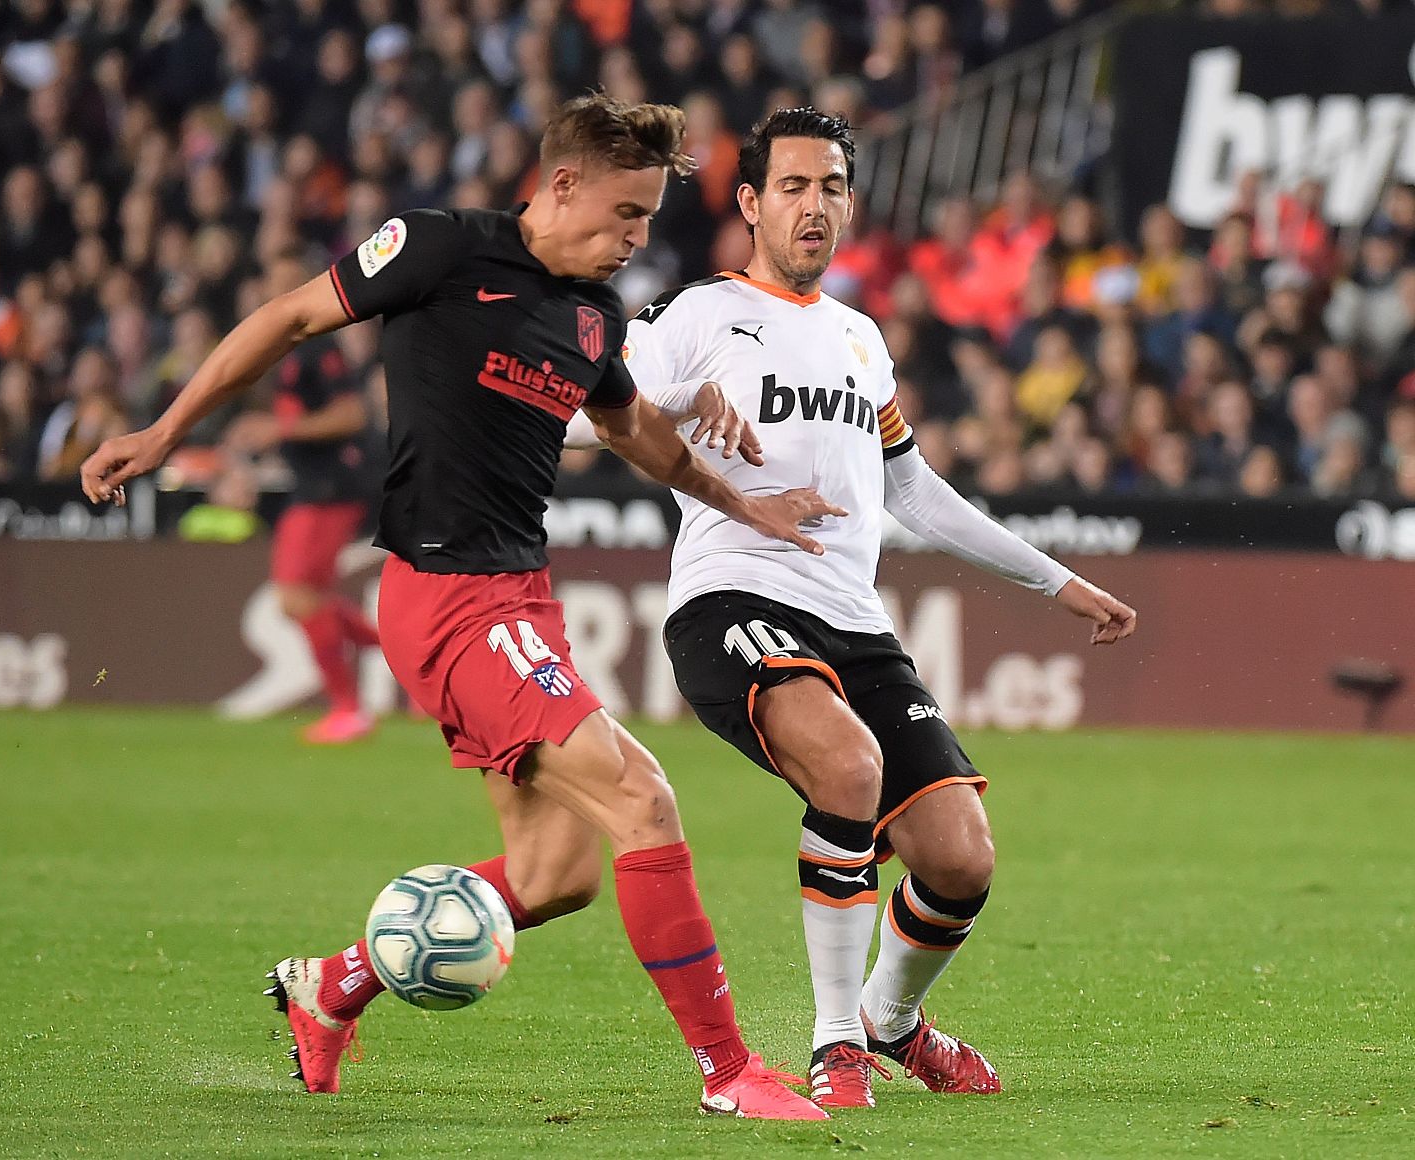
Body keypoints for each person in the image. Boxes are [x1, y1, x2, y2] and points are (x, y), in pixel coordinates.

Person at [81, 94, 842, 1121]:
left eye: (651, 220)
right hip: (446, 594)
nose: (636, 239)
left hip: (518, 593)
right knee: (643, 800)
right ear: (560, 183)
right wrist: (167, 432)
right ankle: (727, 1070)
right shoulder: (440, 248)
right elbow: (290, 316)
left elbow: (635, 435)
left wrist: (741, 503)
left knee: (556, 869)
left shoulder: (591, 316)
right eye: (625, 214)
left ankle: (332, 984)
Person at [571, 108, 1138, 1109]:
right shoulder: (697, 316)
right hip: (732, 596)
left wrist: (1057, 581)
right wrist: (672, 406)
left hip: (853, 623)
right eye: (791, 187)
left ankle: (889, 1019)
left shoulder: (858, 339)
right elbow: (581, 420)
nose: (813, 206)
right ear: (749, 203)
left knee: (960, 855)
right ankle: (836, 1040)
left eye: (829, 187)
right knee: (846, 764)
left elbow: (914, 491)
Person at [222, 252, 383, 744]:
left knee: (296, 595)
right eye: (276, 284)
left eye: (294, 284)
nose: (283, 294)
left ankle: (351, 709)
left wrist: (280, 428)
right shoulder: (291, 349)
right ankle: (397, 651)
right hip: (314, 487)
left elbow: (354, 415)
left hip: (333, 487)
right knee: (306, 599)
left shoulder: (319, 348)